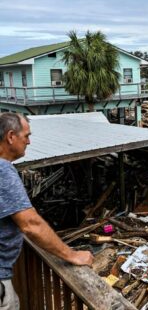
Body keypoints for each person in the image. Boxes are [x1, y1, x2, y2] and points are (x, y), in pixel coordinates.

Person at [0, 113, 93, 309]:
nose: (29, 142)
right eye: (26, 136)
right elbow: (31, 224)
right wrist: (71, 255)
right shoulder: (3, 171)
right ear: (10, 137)